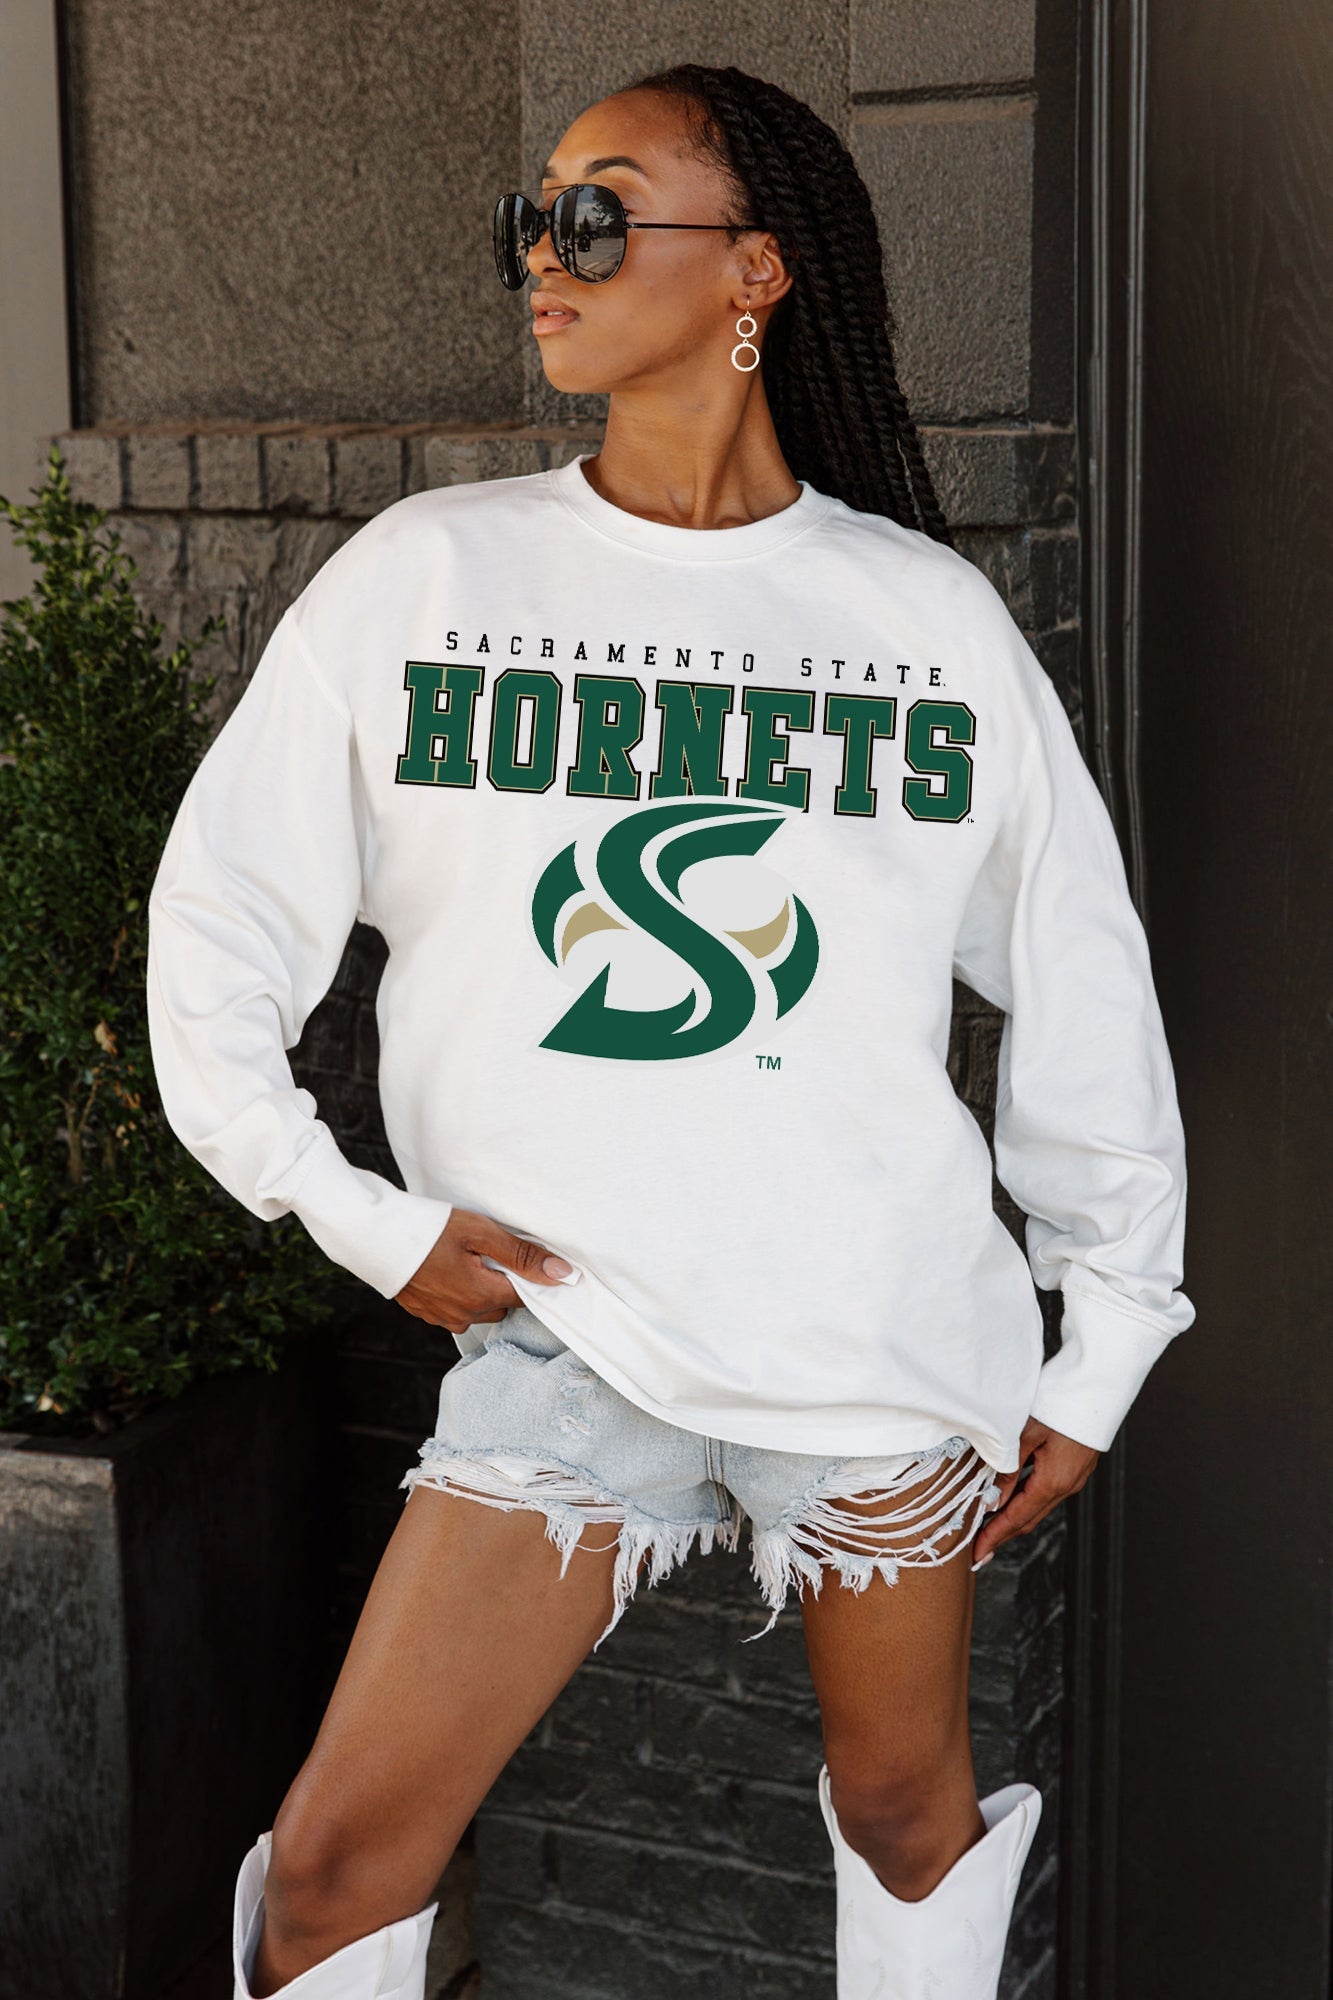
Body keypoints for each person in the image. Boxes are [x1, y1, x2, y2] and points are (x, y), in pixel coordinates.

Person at [146, 62, 1195, 2000]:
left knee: (907, 1817)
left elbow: (1079, 974)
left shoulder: (919, 618)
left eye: (597, 212)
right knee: (333, 1875)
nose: (542, 257)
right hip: (569, 1338)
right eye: (531, 217)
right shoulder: (427, 576)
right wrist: (358, 1215)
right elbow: (216, 925)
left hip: (872, 1348)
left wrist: (1108, 1319)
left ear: (756, 270)